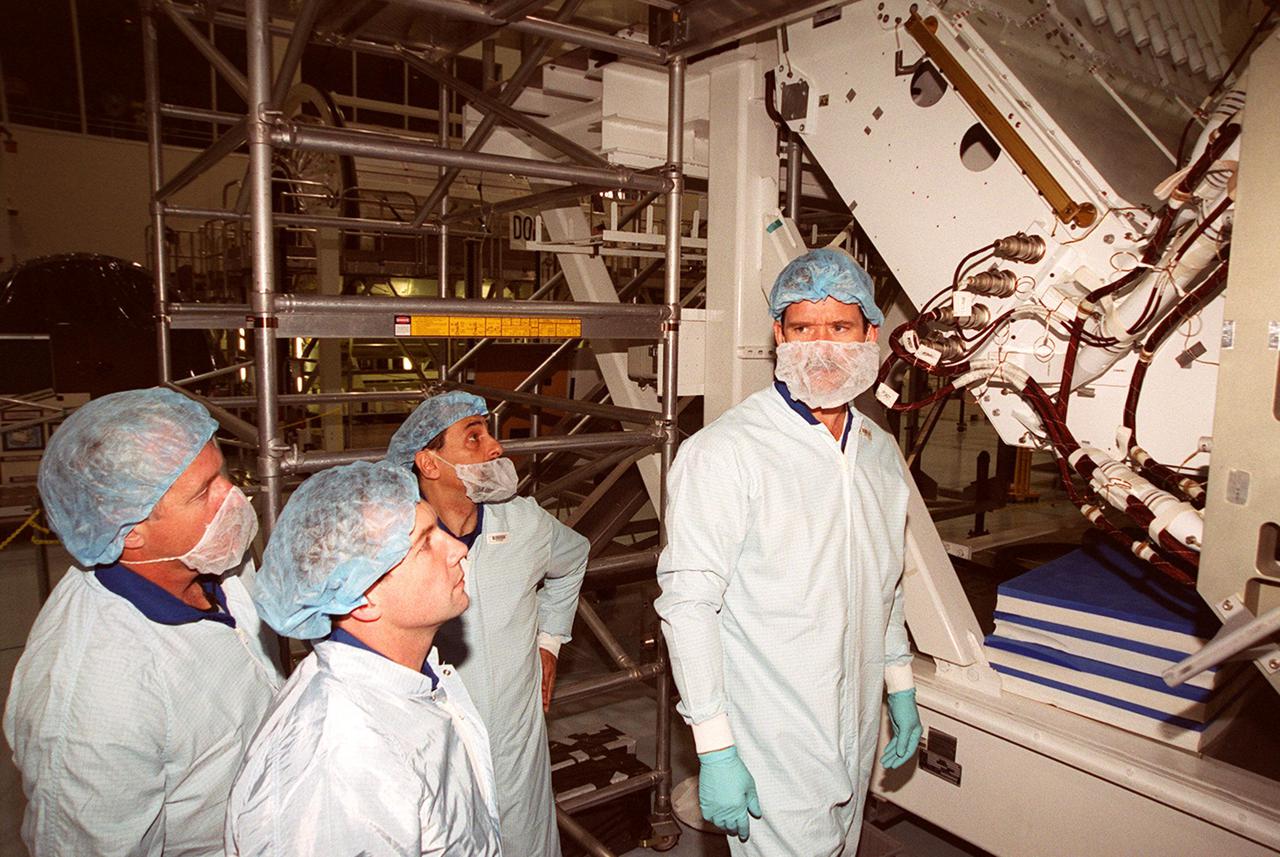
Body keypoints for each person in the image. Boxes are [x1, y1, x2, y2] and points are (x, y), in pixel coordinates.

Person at [655, 248, 923, 855]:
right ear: (778, 333)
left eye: (840, 328)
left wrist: (899, 683)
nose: (821, 347)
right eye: (802, 328)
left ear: (871, 335)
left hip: (855, 721)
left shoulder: (879, 452)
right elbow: (689, 605)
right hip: (773, 731)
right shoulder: (727, 452)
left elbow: (887, 581)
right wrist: (716, 746)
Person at [3, 387, 283, 856]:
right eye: (203, 492)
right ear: (130, 531)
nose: (233, 497)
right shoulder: (93, 695)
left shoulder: (218, 562)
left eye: (223, 474)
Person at [225, 460, 502, 856]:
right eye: (424, 542)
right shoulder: (341, 757)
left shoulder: (409, 677)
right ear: (362, 598)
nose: (457, 548)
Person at [384, 391, 589, 857]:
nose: (495, 447)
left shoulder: (524, 523)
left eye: (489, 433)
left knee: (526, 839)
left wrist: (550, 641)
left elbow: (574, 558)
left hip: (518, 730)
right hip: (435, 739)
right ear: (429, 463)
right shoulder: (396, 541)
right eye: (473, 438)